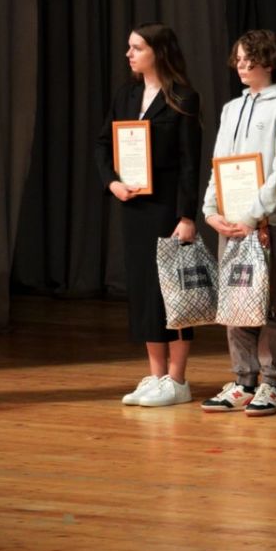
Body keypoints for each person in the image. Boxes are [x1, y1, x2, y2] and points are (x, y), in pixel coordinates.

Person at [96, 23, 202, 407]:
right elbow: (103, 144)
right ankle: (156, 375)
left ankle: (178, 379)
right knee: (143, 290)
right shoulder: (126, 95)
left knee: (171, 292)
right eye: (129, 47)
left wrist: (186, 216)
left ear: (158, 52)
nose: (129, 54)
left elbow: (190, 162)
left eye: (137, 48)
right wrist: (112, 183)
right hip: (134, 207)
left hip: (167, 209)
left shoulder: (183, 97)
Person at [200, 30, 276, 416]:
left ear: (269, 61)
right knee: (236, 300)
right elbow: (219, 162)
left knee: (269, 302)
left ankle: (271, 383)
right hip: (231, 221)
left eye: (250, 59)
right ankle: (244, 380)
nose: (242, 66)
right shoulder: (231, 108)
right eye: (239, 60)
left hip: (266, 222)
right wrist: (211, 209)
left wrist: (252, 214)